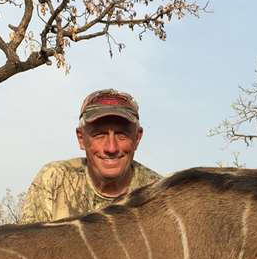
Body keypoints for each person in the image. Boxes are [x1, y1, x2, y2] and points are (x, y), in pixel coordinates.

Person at [20, 89, 161, 223]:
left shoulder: (159, 196)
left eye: (121, 135)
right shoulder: (54, 179)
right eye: (99, 135)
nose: (111, 148)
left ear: (137, 138)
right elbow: (27, 245)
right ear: (81, 138)